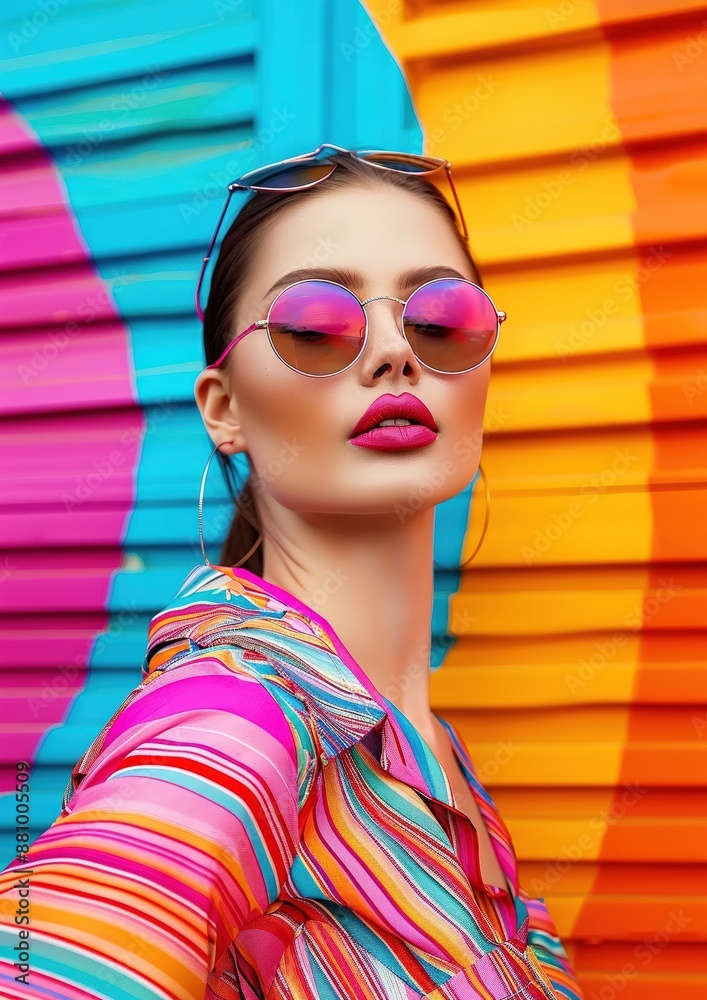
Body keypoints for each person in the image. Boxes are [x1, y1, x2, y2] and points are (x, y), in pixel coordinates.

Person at [0, 145, 583, 999]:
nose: (392, 351)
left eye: (440, 316)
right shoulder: (236, 722)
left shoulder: (430, 758)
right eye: (313, 325)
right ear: (225, 409)